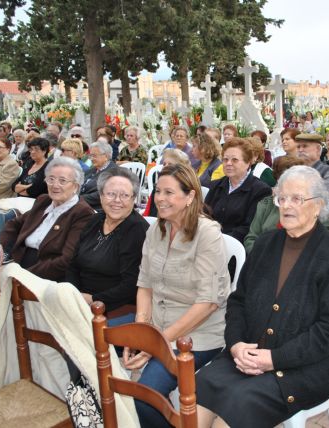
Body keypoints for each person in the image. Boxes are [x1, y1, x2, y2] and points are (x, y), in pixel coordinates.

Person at [196, 165, 329, 427]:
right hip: (249, 351)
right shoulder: (266, 243)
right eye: (282, 198)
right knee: (198, 389)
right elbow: (238, 301)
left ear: (317, 206)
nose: (287, 205)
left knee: (236, 407)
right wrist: (236, 343)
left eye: (297, 199)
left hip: (305, 365)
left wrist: (274, 359)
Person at [123, 163, 231, 428]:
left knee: (144, 397)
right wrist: (141, 328)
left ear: (190, 196)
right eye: (158, 191)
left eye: (169, 192)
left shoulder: (207, 234)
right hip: (157, 322)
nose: (160, 198)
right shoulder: (155, 229)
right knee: (92, 340)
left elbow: (207, 304)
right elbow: (145, 284)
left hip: (197, 334)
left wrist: (154, 344)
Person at [0, 157, 95, 281]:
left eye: (62, 181)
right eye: (51, 179)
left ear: (76, 187)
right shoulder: (44, 201)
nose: (55, 185)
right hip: (20, 262)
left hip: (47, 275)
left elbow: (66, 260)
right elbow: (14, 224)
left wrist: (23, 276)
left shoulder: (81, 213)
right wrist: (1, 245)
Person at [67, 167, 148, 310]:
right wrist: (74, 293)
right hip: (78, 299)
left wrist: (93, 299)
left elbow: (131, 285)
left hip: (112, 305)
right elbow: (73, 264)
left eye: (124, 195)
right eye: (110, 194)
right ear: (101, 196)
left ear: (133, 199)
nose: (117, 201)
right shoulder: (94, 220)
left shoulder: (137, 230)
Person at [204, 138, 271, 241]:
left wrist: (220, 239)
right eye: (225, 159)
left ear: (248, 162)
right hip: (209, 240)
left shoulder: (260, 190)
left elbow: (249, 227)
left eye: (234, 160)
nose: (228, 163)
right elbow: (204, 215)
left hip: (236, 247)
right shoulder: (216, 185)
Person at [244, 155, 305, 253]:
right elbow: (251, 239)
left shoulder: (309, 205)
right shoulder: (266, 204)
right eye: (283, 178)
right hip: (263, 259)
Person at [142, 149, 191, 217]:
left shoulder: (186, 189)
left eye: (170, 164)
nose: (165, 167)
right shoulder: (158, 187)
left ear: (181, 168)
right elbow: (148, 212)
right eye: (164, 164)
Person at [80, 141, 117, 211]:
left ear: (106, 156)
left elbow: (101, 195)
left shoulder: (114, 172)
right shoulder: (91, 170)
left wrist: (78, 199)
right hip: (82, 204)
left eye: (94, 156)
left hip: (96, 208)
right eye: (90, 156)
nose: (91, 159)